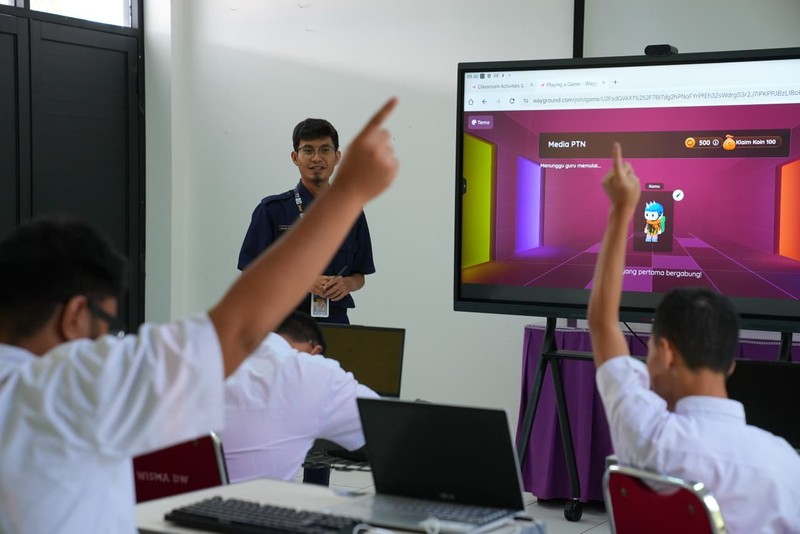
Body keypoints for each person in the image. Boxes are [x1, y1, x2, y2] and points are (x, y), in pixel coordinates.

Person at [0, 98, 398, 533]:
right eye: (105, 326)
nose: (104, 341)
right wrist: (349, 193)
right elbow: (239, 328)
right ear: (76, 314)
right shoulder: (70, 388)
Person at [587, 143, 800, 533]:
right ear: (729, 364)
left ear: (666, 353)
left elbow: (603, 324)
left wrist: (622, 209)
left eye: (650, 350)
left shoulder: (649, 436)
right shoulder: (786, 465)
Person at [238, 118, 375, 325]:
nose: (317, 158)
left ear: (337, 157)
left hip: (336, 321)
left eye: (325, 150)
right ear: (295, 157)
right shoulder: (272, 210)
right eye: (308, 150)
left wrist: (347, 284)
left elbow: (360, 275)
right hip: (284, 322)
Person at [222, 311, 377, 483]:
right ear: (316, 351)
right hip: (254, 498)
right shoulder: (310, 370)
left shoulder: (213, 351)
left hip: (200, 492)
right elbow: (382, 421)